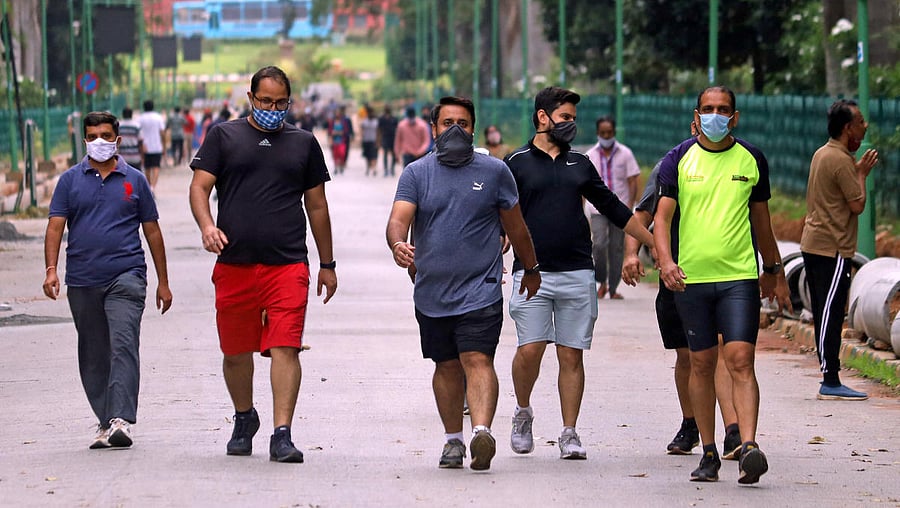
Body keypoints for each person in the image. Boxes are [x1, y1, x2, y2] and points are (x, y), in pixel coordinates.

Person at [188, 66, 337, 464]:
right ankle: (244, 417)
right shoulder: (224, 136)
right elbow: (199, 186)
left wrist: (327, 263)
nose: (273, 109)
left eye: (281, 102)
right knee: (236, 351)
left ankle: (282, 434)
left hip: (287, 264)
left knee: (285, 346)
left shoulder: (303, 143)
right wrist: (207, 226)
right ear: (251, 98)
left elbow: (317, 205)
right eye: (266, 101)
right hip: (234, 263)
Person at [386, 96, 541, 471]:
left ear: (473, 129)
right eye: (447, 123)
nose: (455, 130)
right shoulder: (417, 173)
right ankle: (453, 439)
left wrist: (531, 267)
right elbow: (398, 218)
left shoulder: (495, 171)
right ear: (434, 128)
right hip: (432, 292)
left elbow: (516, 226)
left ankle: (481, 432)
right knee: (446, 366)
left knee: (477, 358)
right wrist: (397, 244)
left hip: (481, 288)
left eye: (463, 123)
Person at [503, 86, 654, 461]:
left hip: (577, 272)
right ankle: (523, 411)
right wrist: (498, 241)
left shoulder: (580, 164)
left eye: (573, 118)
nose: (571, 124)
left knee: (571, 355)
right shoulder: (515, 162)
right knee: (531, 349)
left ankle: (569, 432)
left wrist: (654, 245)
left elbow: (614, 208)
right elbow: (500, 211)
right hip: (532, 274)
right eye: (565, 117)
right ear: (543, 117)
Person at [653, 86, 791, 484]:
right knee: (701, 363)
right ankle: (709, 451)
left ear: (735, 116)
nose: (716, 115)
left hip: (738, 278)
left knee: (741, 359)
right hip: (692, 280)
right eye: (709, 109)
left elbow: (761, 221)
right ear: (697, 115)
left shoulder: (751, 158)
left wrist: (774, 269)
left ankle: (748, 446)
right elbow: (662, 218)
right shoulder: (678, 159)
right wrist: (666, 262)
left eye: (724, 109)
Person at [42, 111, 172, 450]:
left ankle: (121, 419)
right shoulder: (70, 181)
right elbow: (55, 227)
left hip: (127, 276)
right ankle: (104, 420)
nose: (98, 142)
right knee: (94, 352)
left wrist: (163, 281)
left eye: (105, 135)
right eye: (92, 137)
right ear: (84, 140)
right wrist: (51, 269)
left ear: (118, 139)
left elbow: (152, 231)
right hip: (83, 280)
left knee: (124, 344)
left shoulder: (135, 181)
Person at [622, 159, 742, 460]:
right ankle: (691, 424)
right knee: (687, 354)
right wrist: (631, 254)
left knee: (718, 349)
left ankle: (733, 431)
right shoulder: (672, 166)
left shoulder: (739, 163)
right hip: (678, 274)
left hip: (723, 273)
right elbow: (642, 216)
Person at [800, 99, 879, 401]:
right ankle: (830, 379)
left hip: (814, 243)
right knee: (830, 314)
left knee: (825, 310)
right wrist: (861, 175)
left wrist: (854, 170)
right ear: (848, 128)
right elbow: (857, 204)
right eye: (860, 122)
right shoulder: (841, 160)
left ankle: (829, 375)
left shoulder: (823, 153)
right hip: (831, 248)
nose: (864, 126)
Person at [586, 116, 641, 300]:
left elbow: (633, 181)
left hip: (620, 208)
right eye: (603, 133)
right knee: (599, 244)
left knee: (617, 248)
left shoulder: (625, 154)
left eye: (609, 133)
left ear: (614, 133)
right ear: (597, 133)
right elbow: (584, 184)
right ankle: (601, 281)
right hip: (597, 209)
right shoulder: (591, 155)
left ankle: (613, 287)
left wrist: (630, 206)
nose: (606, 136)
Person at [138, 100, 166, 192]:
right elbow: (162, 132)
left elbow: (138, 133)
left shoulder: (140, 118)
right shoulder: (158, 117)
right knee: (156, 167)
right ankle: (153, 187)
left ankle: (149, 185)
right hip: (157, 146)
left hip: (145, 146)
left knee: (147, 167)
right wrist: (164, 145)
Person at [327, 106, 353, 175]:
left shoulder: (344, 122)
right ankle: (336, 167)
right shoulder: (332, 122)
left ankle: (341, 165)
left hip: (342, 141)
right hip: (334, 141)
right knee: (335, 155)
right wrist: (331, 137)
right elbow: (329, 132)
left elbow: (346, 131)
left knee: (342, 154)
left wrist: (340, 133)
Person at [118, 106, 143, 172]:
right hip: (135, 157)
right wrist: (142, 157)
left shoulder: (119, 126)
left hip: (123, 157)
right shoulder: (136, 126)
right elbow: (140, 142)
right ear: (131, 114)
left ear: (123, 115)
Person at [377, 105, 399, 176]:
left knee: (393, 154)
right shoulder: (381, 118)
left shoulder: (394, 118)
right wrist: (379, 140)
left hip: (392, 137)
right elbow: (379, 129)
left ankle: (392, 169)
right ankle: (386, 170)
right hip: (385, 137)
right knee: (385, 154)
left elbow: (397, 128)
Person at [360, 105, 379, 176]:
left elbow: (378, 132)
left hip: (373, 141)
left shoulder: (376, 122)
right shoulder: (364, 121)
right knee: (367, 156)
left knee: (374, 156)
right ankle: (368, 168)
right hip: (366, 140)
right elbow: (362, 130)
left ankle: (374, 168)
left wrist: (378, 141)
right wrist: (362, 139)